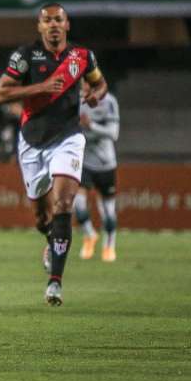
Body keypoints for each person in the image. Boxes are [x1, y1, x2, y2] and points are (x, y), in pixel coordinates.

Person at [0, 2, 108, 306]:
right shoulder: (25, 56)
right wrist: (40, 87)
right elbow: (1, 94)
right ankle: (51, 240)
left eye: (59, 20)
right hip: (32, 141)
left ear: (67, 24)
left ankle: (55, 282)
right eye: (48, 21)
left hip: (68, 138)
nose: (54, 25)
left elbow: (100, 84)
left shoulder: (82, 57)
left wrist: (95, 95)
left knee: (63, 203)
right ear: (40, 27)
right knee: (42, 217)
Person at [74, 80, 120, 262]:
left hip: (105, 163)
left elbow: (113, 133)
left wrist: (91, 125)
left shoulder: (109, 102)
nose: (82, 88)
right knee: (78, 204)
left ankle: (109, 246)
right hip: (84, 161)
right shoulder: (76, 102)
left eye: (85, 85)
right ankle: (89, 235)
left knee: (108, 211)